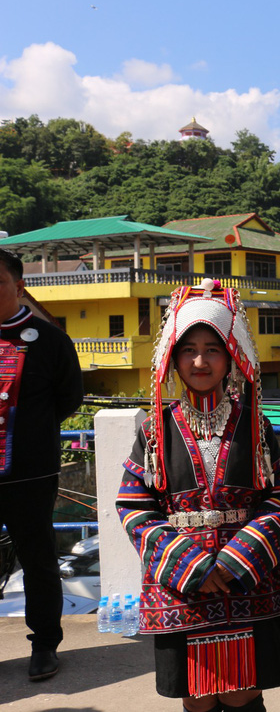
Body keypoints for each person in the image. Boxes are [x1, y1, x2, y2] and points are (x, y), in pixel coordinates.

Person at [116, 279, 280, 712]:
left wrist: (236, 561)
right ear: (173, 359)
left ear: (230, 357)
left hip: (245, 581)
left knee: (242, 691)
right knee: (196, 697)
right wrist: (192, 564)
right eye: (189, 349)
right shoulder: (154, 431)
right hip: (182, 586)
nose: (200, 360)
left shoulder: (255, 425)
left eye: (212, 349)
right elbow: (134, 507)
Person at [0, 248, 83, 681]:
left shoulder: (49, 339)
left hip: (29, 473)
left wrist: (31, 434)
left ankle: (45, 645)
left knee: (38, 561)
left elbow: (69, 399)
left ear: (19, 286)